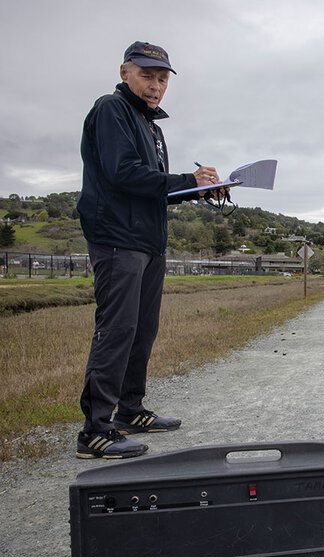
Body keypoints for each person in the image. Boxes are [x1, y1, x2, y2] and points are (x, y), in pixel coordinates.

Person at [76, 41, 225, 458]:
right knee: (117, 328)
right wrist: (187, 179)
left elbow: (153, 190)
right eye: (146, 75)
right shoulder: (111, 109)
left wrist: (202, 190)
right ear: (125, 72)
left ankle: (130, 409)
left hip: (148, 240)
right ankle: (94, 431)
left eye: (162, 79)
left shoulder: (153, 129)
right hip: (116, 237)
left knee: (143, 328)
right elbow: (124, 174)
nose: (155, 85)